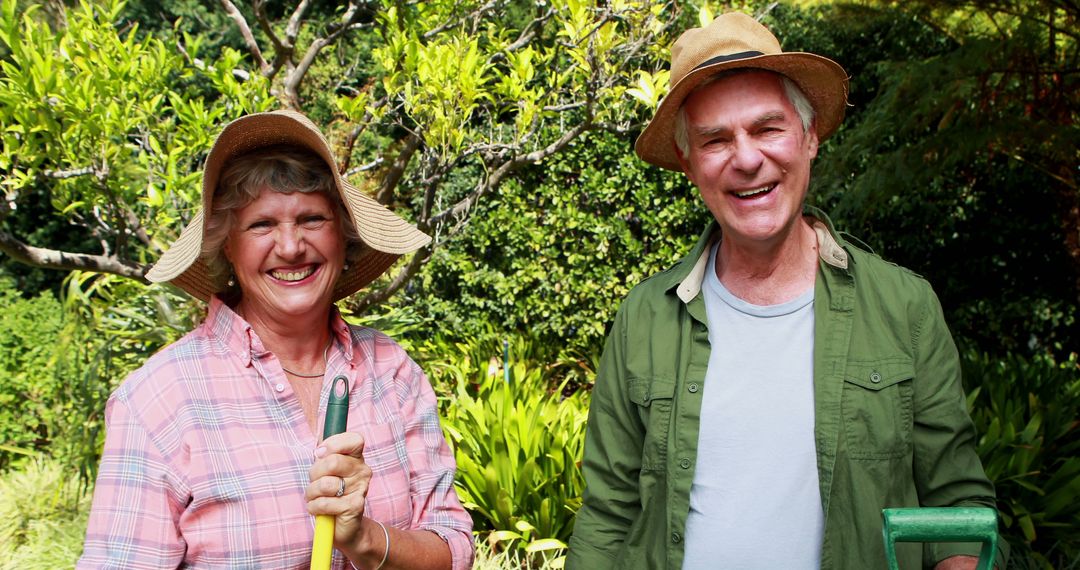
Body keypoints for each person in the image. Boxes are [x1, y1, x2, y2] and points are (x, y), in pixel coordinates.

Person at [566, 12, 1007, 570]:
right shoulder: (644, 319)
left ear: (810, 136)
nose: (747, 159)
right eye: (714, 140)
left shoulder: (904, 308)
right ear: (687, 162)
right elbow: (607, 515)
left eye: (767, 128)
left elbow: (956, 507)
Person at [79, 110, 474, 570]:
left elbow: (453, 550)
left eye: (311, 219)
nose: (290, 247)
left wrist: (365, 539)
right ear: (228, 245)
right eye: (261, 225)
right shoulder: (160, 399)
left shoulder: (391, 369)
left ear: (343, 237)